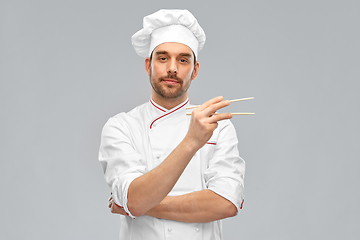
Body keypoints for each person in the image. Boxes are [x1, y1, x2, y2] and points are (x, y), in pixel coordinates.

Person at [99, 9, 245, 240]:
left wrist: (140, 205)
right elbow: (135, 199)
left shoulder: (219, 126)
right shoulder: (121, 127)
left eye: (183, 60)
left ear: (195, 70)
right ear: (148, 65)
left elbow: (226, 204)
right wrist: (191, 142)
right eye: (163, 58)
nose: (172, 68)